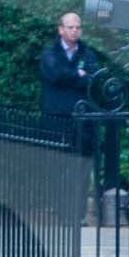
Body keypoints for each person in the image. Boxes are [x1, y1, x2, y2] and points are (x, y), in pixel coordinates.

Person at [39, 11, 100, 157]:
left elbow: (93, 79)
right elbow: (55, 75)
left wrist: (68, 77)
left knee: (82, 159)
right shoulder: (50, 52)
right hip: (55, 115)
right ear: (61, 29)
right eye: (70, 27)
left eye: (78, 27)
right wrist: (78, 73)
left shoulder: (88, 53)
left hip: (81, 117)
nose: (74, 31)